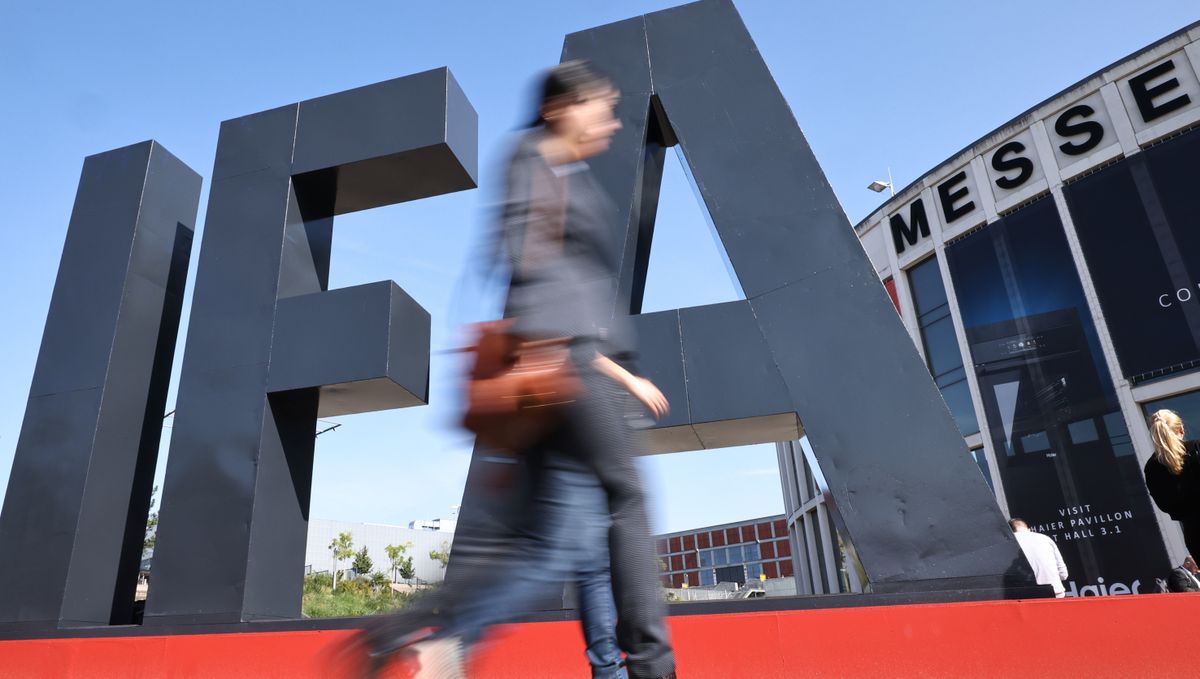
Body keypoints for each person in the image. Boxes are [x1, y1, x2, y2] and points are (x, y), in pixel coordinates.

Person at [352, 60, 676, 679]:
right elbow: (526, 256)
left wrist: (620, 373)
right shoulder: (535, 158)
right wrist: (559, 350)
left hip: (563, 359)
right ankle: (652, 668)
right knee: (627, 497)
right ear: (559, 106)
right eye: (599, 106)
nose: (609, 120)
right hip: (563, 360)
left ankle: (413, 634)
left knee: (549, 543)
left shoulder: (552, 165)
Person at [1143, 409, 1200, 558]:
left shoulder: (1152, 468)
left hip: (1194, 534)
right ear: (1181, 429)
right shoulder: (1197, 448)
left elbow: (1165, 506)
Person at [1009, 518, 1069, 597]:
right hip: (1056, 592)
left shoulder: (1009, 543)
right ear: (1028, 529)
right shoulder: (1046, 538)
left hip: (1027, 595)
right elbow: (1063, 574)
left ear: (1009, 531)